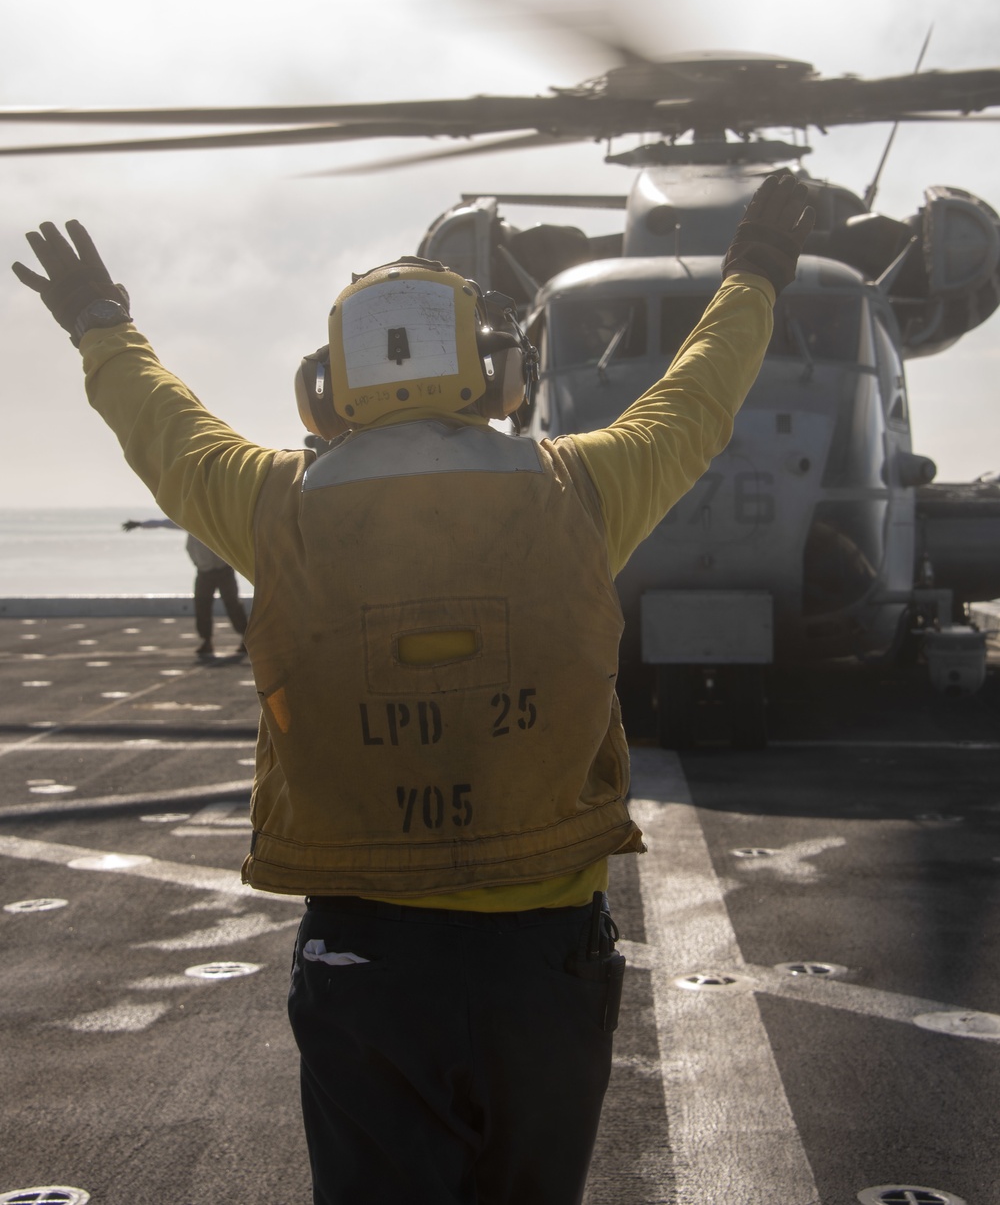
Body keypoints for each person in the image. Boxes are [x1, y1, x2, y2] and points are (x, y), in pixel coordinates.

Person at [12, 173, 813, 1205]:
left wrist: (100, 323)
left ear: (326, 389)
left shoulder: (273, 509)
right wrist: (753, 271)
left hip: (367, 959)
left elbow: (161, 426)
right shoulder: (582, 489)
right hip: (543, 961)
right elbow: (697, 398)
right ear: (493, 375)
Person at [121, 516, 249, 658]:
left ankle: (246, 639)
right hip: (204, 571)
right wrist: (140, 524)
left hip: (224, 570)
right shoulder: (191, 522)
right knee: (202, 605)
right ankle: (207, 641)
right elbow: (163, 523)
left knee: (233, 605)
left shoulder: (219, 520)